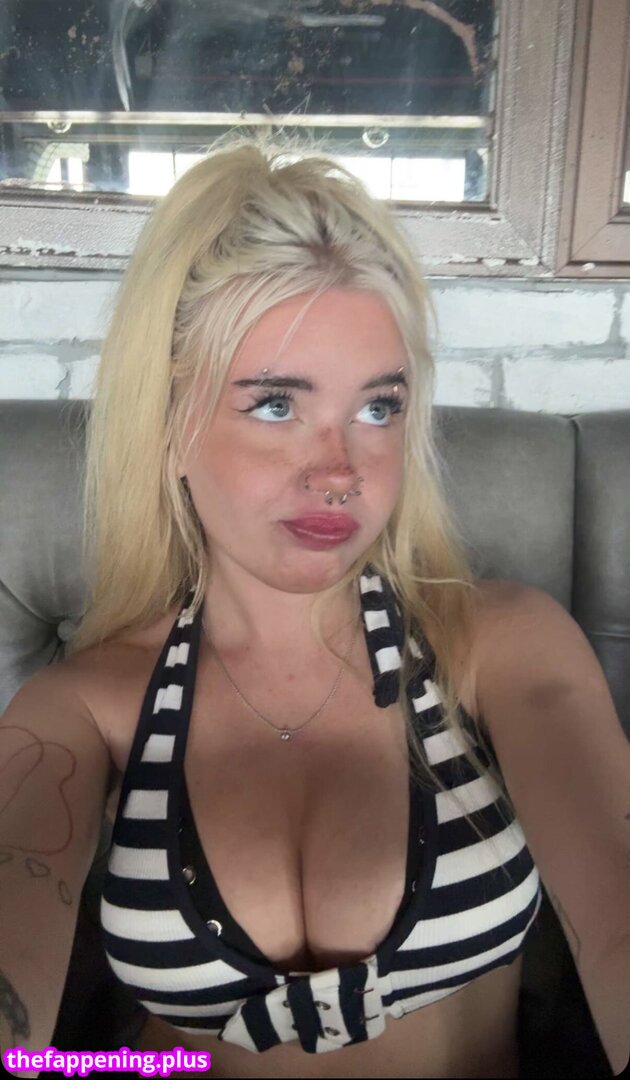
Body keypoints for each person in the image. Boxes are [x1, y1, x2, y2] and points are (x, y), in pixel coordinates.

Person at [1, 132, 628, 1080]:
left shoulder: (499, 644)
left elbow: (619, 908)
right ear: (167, 426)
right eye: (276, 405)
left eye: (378, 408)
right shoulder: (85, 705)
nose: (340, 471)